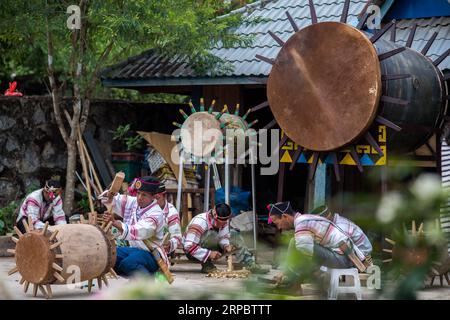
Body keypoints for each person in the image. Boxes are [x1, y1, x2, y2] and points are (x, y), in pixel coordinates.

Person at [267, 201, 371, 284]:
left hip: (345, 260)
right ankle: (294, 277)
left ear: (285, 216)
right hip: (344, 257)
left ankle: (293, 278)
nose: (279, 227)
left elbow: (305, 252)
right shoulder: (305, 219)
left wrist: (286, 273)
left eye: (277, 223)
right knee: (299, 244)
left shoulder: (301, 222)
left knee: (296, 243)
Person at [101, 176, 169, 277]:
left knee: (128, 263)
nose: (139, 198)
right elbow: (114, 200)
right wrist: (110, 195)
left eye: (144, 195)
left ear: (153, 197)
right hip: (134, 250)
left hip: (151, 254)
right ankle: (136, 278)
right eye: (138, 193)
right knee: (109, 255)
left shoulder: (156, 214)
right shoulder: (134, 203)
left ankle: (147, 283)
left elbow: (140, 230)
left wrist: (115, 223)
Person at [183, 203, 268, 274]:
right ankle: (207, 265)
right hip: (193, 253)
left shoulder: (224, 221)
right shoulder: (199, 222)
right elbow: (188, 247)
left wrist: (226, 246)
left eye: (225, 222)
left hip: (212, 247)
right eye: (221, 222)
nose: (223, 225)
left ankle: (250, 263)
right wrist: (209, 254)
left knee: (234, 234)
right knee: (211, 234)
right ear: (214, 217)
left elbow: (224, 236)